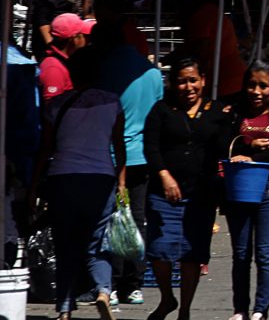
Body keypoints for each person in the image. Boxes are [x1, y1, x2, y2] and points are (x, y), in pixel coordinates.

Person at [29, 47, 125, 320]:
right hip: (101, 180)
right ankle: (103, 291)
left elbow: (45, 148)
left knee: (66, 246)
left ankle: (64, 309)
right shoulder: (112, 102)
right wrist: (121, 183)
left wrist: (35, 185)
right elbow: (119, 147)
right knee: (99, 242)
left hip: (64, 180)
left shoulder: (56, 105)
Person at [144, 55, 229, 320]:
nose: (188, 87)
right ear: (172, 83)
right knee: (159, 248)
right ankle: (167, 298)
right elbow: (151, 146)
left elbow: (226, 145)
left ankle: (185, 310)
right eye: (181, 82)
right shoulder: (161, 110)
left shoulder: (217, 111)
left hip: (200, 196)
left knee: (192, 254)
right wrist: (164, 175)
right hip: (163, 194)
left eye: (193, 80)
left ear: (203, 80)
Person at [92, 21, 163, 307]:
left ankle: (112, 280)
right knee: (136, 219)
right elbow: (157, 113)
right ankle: (133, 284)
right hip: (142, 156)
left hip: (110, 156)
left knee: (110, 220)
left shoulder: (104, 69)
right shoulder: (153, 74)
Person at [225, 61, 269, 320]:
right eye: (252, 85)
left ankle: (260, 309)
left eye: (263, 86)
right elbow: (225, 144)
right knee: (241, 253)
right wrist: (250, 145)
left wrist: (250, 156)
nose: (256, 91)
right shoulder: (234, 112)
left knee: (264, 253)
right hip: (239, 189)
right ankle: (240, 309)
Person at [38, 13, 93, 101]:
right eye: (85, 36)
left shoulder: (67, 61)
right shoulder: (53, 68)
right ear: (74, 38)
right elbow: (51, 108)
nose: (88, 41)